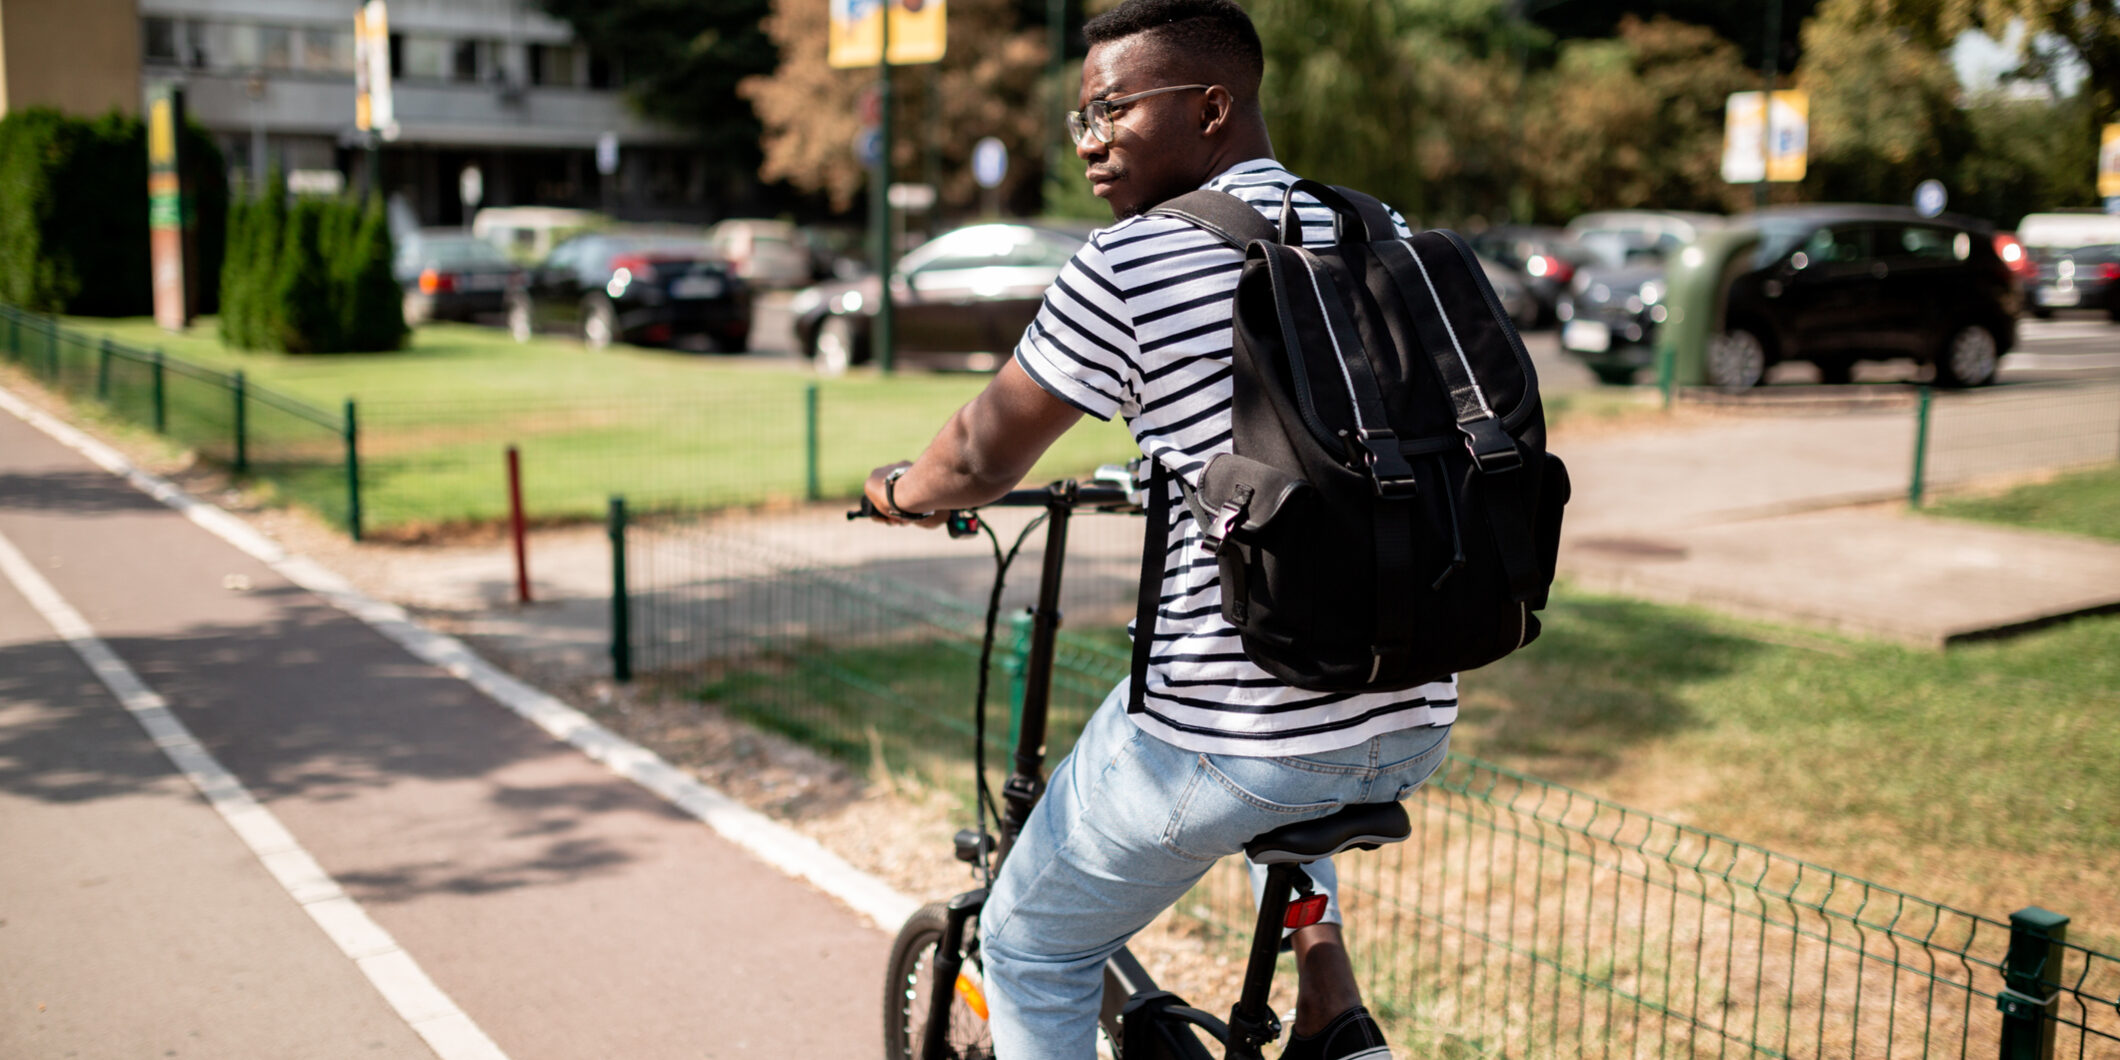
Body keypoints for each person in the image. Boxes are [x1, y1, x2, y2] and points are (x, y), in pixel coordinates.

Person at [862, 2, 1453, 1057]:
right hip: (1411, 708)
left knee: (1029, 942)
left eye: (1111, 108)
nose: (1087, 138)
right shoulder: (1378, 228)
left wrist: (902, 492)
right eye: (1078, 116)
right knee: (1293, 721)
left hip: (1236, 742)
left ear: (1212, 106)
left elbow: (982, 455)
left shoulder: (1132, 260)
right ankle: (1332, 1006)